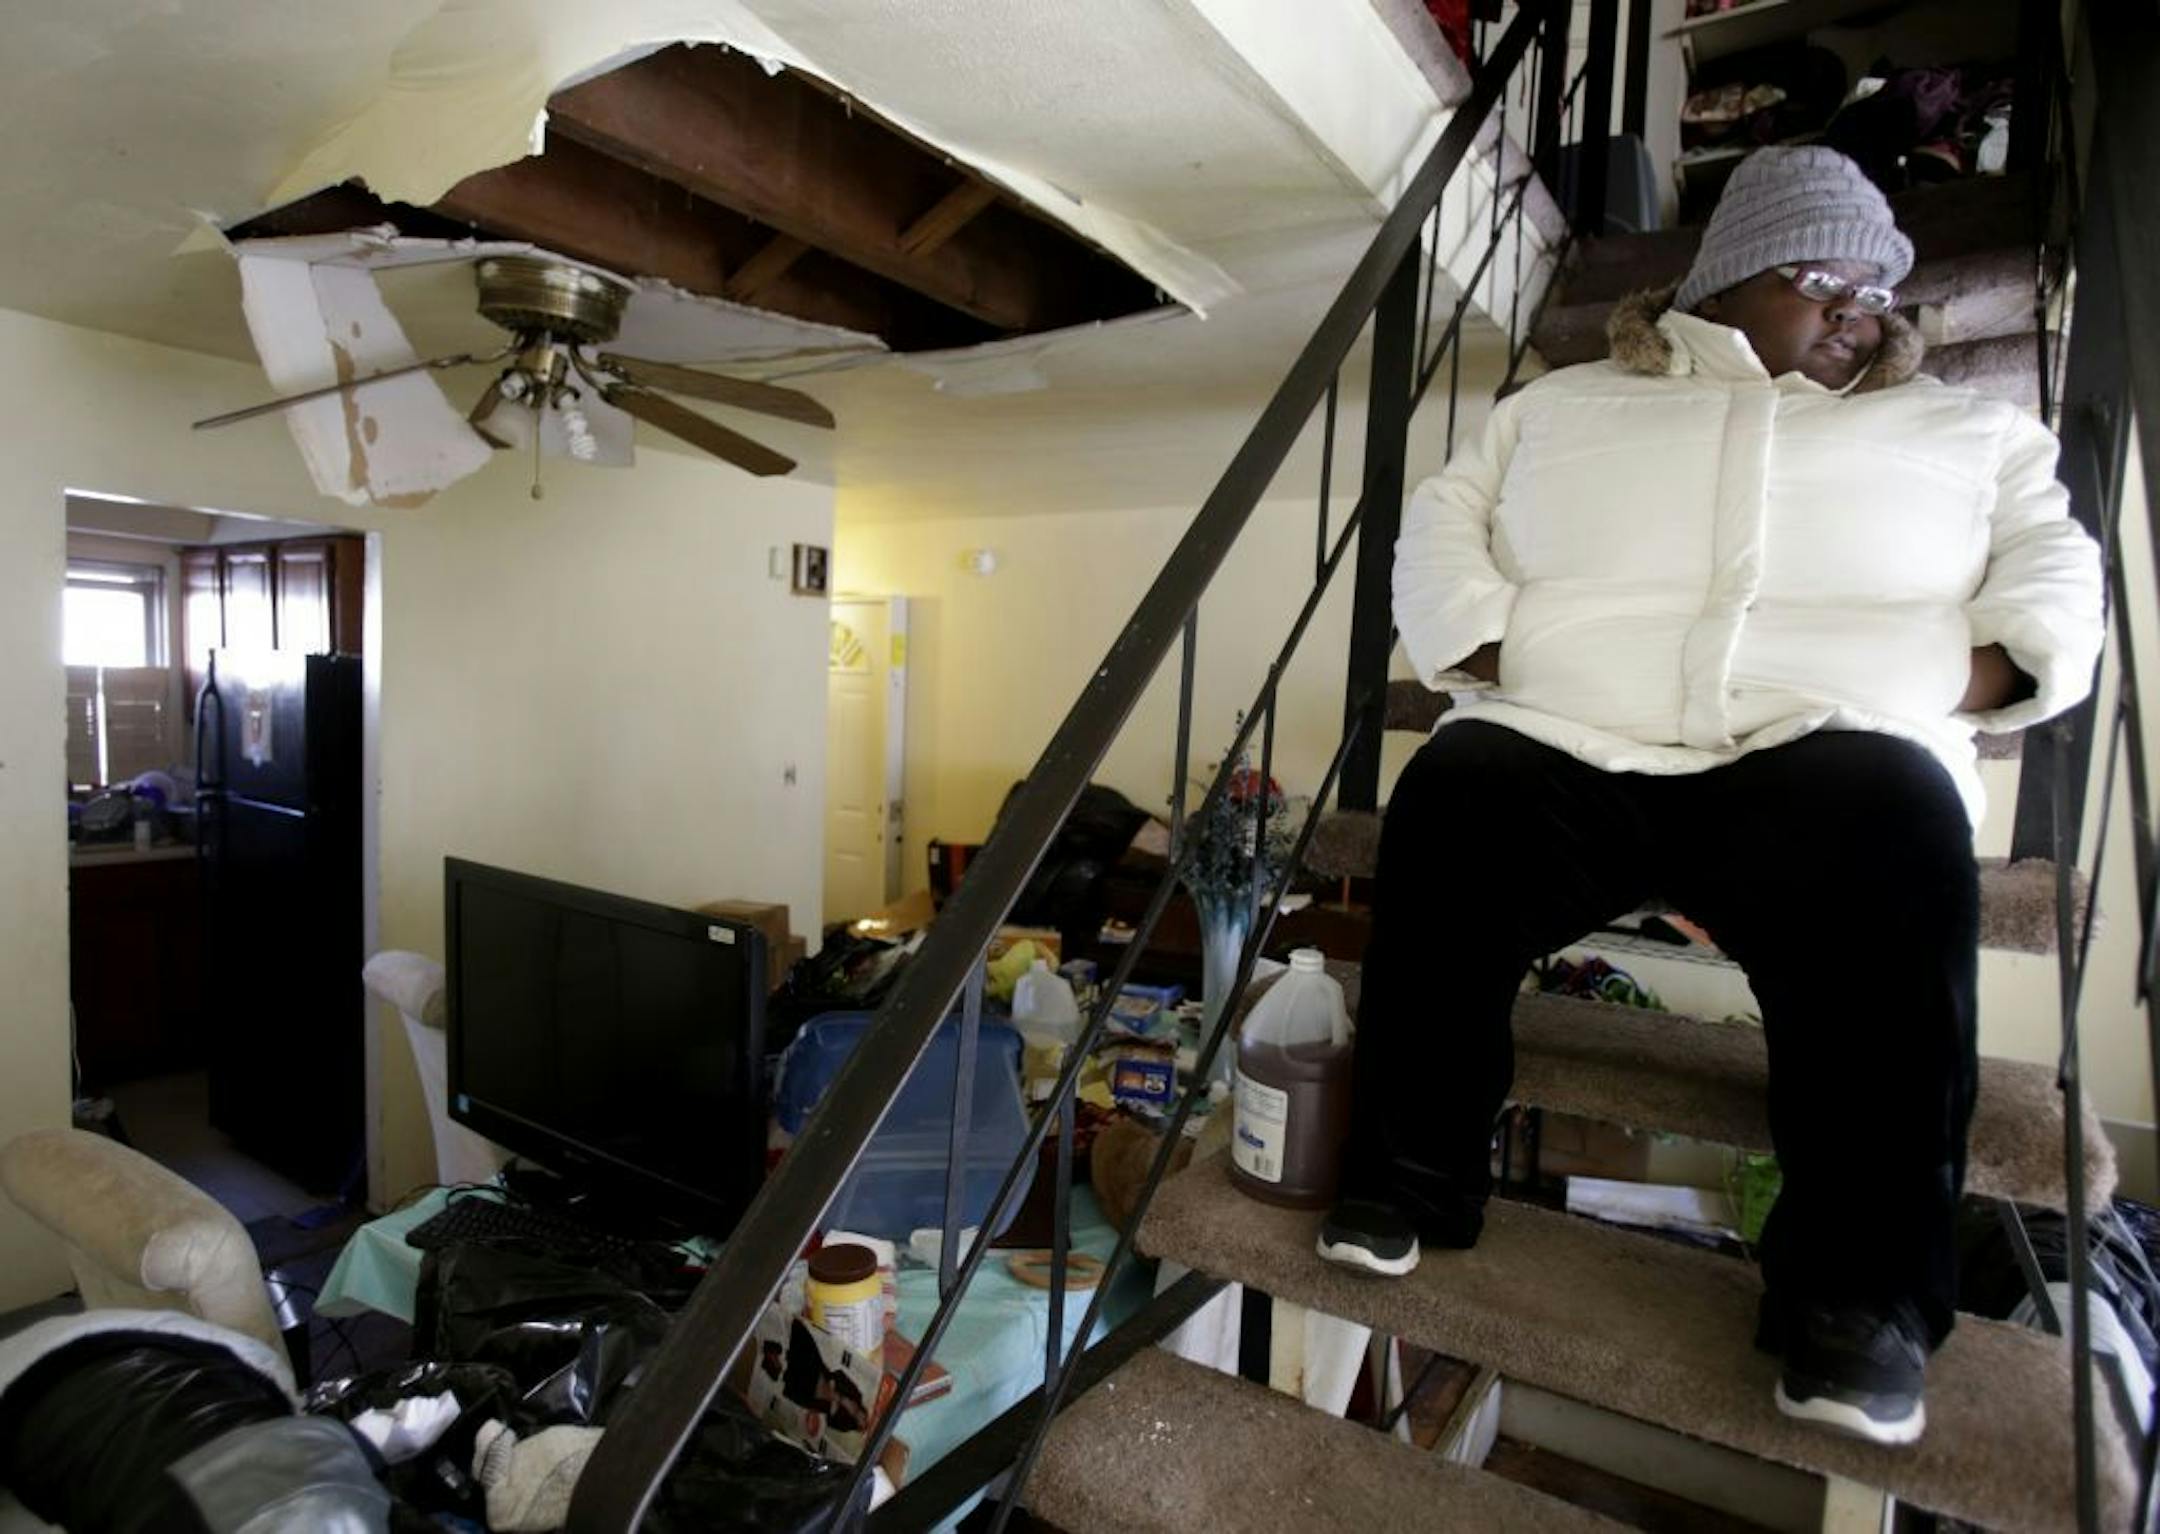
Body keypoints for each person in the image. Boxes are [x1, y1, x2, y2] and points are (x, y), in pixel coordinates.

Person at [1315, 146, 2103, 1447]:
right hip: (1583, 734)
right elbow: (1442, 522)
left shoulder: (1971, 429)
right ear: (1732, 275)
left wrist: (1967, 671)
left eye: (1881, 291)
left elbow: (2056, 574)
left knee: (1905, 835)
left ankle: (1858, 1296)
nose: (1864, 311)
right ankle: (1411, 1173)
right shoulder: (1567, 402)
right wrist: (1494, 649)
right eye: (1829, 280)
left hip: (1822, 746)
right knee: (1455, 788)